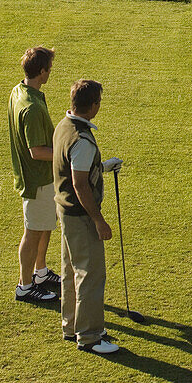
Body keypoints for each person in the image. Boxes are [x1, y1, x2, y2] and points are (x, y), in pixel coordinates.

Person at [53, 79, 123, 355]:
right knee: (90, 274)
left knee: (70, 272)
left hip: (65, 210)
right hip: (81, 215)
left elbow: (73, 170)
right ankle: (90, 336)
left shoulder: (63, 127)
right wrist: (98, 220)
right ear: (93, 105)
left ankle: (72, 325)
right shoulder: (82, 140)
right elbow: (80, 184)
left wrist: (102, 167)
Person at [9, 46, 60, 304]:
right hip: (37, 179)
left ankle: (40, 273)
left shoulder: (21, 91)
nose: (51, 71)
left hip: (41, 178)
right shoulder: (32, 107)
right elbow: (37, 151)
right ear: (42, 71)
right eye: (49, 68)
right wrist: (65, 153)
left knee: (45, 226)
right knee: (33, 232)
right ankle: (25, 286)